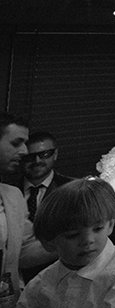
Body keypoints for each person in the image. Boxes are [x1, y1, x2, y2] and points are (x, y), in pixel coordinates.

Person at [18, 178, 115, 308]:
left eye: (97, 228)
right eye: (73, 235)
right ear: (49, 242)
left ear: (110, 225)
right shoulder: (42, 284)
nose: (88, 240)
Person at [0, 115, 59, 292]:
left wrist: (78, 237)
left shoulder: (13, 197)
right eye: (16, 143)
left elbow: (24, 251)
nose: (25, 151)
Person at [20, 132, 72, 222]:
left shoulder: (72, 189)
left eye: (44, 154)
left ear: (55, 154)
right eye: (29, 156)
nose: (37, 161)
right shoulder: (8, 189)